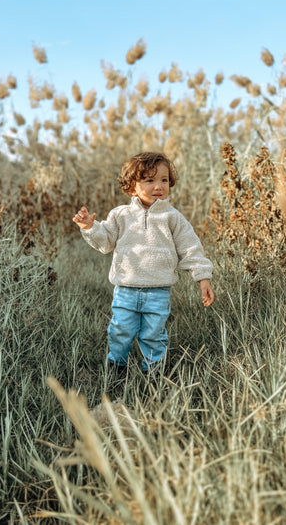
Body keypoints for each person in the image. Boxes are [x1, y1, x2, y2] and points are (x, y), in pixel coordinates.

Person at [73, 152, 214, 372]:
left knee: (154, 335)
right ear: (132, 187)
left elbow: (190, 247)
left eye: (164, 180)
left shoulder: (172, 217)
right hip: (126, 289)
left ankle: (154, 372)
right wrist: (90, 228)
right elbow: (106, 242)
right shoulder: (121, 215)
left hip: (158, 291)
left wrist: (202, 277)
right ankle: (116, 366)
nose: (158, 186)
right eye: (150, 180)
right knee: (120, 330)